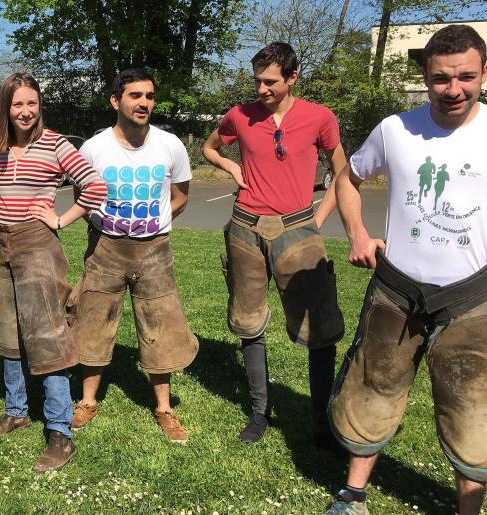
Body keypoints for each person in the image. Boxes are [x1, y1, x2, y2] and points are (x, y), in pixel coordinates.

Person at [325, 25, 487, 515]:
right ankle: (353, 495)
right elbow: (348, 178)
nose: (453, 89)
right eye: (441, 78)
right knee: (371, 388)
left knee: (473, 409)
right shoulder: (394, 129)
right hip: (396, 290)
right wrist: (356, 233)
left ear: (484, 74)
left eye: (465, 76)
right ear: (426, 76)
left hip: (472, 298)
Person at [202, 42, 348, 446]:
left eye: (270, 82)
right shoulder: (239, 115)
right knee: (249, 322)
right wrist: (230, 164)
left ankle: (320, 421)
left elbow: (343, 172)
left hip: (298, 230)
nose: (262, 89)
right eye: (257, 81)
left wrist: (316, 220)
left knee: (319, 328)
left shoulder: (320, 117)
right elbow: (209, 146)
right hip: (245, 228)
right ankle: (259, 413)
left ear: (292, 78)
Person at [0, 72, 107, 472]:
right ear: (6, 106)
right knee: (8, 331)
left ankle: (59, 432)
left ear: (39, 106)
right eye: (17, 104)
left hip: (38, 245)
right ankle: (16, 410)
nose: (25, 111)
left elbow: (95, 187)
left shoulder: (56, 144)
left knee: (48, 336)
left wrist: (60, 219)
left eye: (31, 103)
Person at [67, 69, 199, 443]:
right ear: (115, 101)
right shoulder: (93, 148)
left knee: (160, 323)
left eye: (150, 96)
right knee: (93, 321)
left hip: (154, 251)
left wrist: (154, 222)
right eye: (135, 95)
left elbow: (181, 196)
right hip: (105, 247)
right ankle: (87, 401)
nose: (144, 103)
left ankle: (164, 409)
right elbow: (84, 195)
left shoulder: (170, 144)